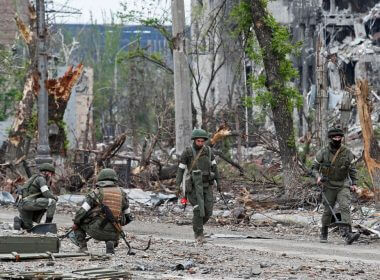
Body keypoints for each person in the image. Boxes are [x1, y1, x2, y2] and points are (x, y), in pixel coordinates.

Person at [311, 127, 360, 244]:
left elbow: (352, 170)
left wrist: (354, 183)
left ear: (342, 138)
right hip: (328, 184)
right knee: (328, 210)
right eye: (335, 137)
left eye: (339, 137)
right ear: (331, 138)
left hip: (343, 184)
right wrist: (318, 177)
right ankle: (324, 231)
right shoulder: (323, 152)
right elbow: (314, 168)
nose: (337, 139)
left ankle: (347, 234)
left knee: (345, 206)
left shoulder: (347, 152)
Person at [176, 129, 220, 245]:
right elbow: (180, 170)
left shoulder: (209, 151)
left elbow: (215, 168)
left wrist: (219, 182)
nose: (200, 143)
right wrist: (177, 186)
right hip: (194, 187)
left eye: (202, 141)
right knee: (198, 210)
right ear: (194, 140)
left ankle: (197, 225)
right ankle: (199, 235)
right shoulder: (188, 152)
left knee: (208, 212)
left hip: (206, 186)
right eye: (198, 141)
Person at [72, 168, 131, 254]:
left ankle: (83, 247)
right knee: (116, 220)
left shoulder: (96, 193)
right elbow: (128, 216)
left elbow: (82, 211)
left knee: (78, 223)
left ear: (100, 178)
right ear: (115, 179)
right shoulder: (122, 193)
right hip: (116, 233)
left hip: (97, 231)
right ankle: (111, 242)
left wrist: (76, 223)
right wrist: (118, 225)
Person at [14, 163, 58, 231]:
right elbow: (46, 193)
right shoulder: (41, 179)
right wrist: (55, 197)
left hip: (22, 204)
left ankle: (19, 222)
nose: (51, 176)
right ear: (46, 172)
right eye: (51, 173)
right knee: (52, 202)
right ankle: (47, 225)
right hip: (28, 203)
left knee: (28, 226)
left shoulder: (34, 177)